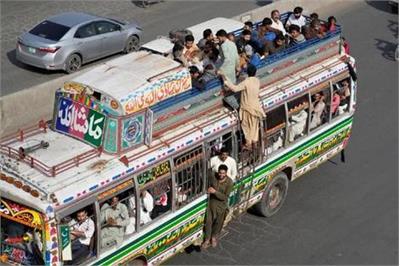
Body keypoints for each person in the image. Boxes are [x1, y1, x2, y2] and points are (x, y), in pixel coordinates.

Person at [220, 64, 265, 149]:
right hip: (256, 107)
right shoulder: (257, 81)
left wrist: (225, 80)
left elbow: (235, 89)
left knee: (246, 126)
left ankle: (248, 144)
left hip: (247, 108)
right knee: (254, 127)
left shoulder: (246, 82)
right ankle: (254, 142)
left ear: (247, 72)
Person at [201, 164, 233, 249]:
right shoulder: (214, 176)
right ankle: (207, 239)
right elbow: (207, 174)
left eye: (223, 173)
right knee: (208, 222)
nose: (221, 175)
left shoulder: (229, 182)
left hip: (221, 206)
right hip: (211, 203)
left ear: (226, 173)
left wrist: (215, 192)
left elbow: (225, 197)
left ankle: (214, 237)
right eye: (220, 173)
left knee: (218, 224)